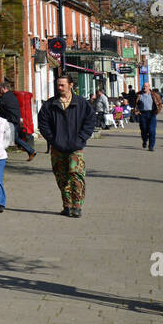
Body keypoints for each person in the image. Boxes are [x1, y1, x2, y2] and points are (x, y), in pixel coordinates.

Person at [37, 76, 98, 218]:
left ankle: (77, 206)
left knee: (76, 176)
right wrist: (52, 139)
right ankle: (67, 205)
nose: (59, 88)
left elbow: (90, 122)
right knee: (61, 177)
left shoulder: (81, 103)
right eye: (58, 85)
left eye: (62, 85)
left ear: (70, 85)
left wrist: (81, 139)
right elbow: (43, 124)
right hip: (57, 147)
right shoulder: (50, 104)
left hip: (75, 147)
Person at [0, 79, 34, 160]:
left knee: (12, 138)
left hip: (11, 121)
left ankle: (30, 150)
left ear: (4, 88)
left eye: (0, 89)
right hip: (14, 119)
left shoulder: (5, 97)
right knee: (14, 138)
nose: (0, 90)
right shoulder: (11, 95)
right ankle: (30, 151)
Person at [136, 83, 163, 151]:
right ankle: (145, 140)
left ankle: (151, 146)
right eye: (143, 86)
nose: (144, 88)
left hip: (151, 114)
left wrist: (157, 111)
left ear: (149, 87)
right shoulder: (139, 95)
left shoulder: (154, 94)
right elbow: (134, 103)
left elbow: (159, 103)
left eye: (146, 86)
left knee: (152, 131)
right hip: (142, 114)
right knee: (144, 130)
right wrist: (136, 111)